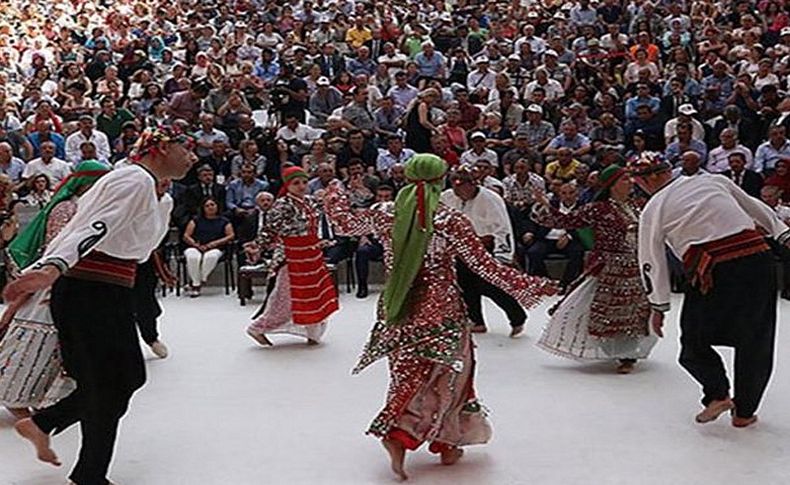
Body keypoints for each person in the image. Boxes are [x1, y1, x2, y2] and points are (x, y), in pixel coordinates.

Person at [323, 154, 556, 480]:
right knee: (451, 377)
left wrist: (333, 191)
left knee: (407, 377)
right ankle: (446, 442)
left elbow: (343, 223)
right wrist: (532, 285)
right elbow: (485, 268)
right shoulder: (449, 221)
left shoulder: (384, 215)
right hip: (444, 314)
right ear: (439, 182)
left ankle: (398, 437)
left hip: (400, 311)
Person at [2, 125, 195, 484]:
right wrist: (53, 267)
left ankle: (44, 425)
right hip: (88, 289)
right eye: (187, 148)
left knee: (120, 380)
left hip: (109, 289)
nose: (193, 156)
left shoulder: (150, 188)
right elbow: (91, 226)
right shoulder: (133, 180)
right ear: (161, 148)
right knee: (109, 384)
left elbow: (140, 243)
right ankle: (85, 469)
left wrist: (161, 201)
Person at [634, 152, 790, 427]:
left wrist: (658, 306)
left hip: (713, 270)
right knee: (756, 339)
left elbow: (651, 260)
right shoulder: (714, 180)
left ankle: (717, 393)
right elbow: (754, 206)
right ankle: (744, 413)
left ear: (649, 179)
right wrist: (781, 232)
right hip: (756, 258)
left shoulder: (653, 208)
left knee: (693, 340)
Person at [0, 161, 110, 419]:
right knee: (40, 339)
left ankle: (49, 398)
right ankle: (15, 397)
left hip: (79, 281)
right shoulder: (66, 208)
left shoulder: (88, 206)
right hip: (58, 280)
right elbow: (58, 247)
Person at [531, 165, 657, 373]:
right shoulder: (598, 209)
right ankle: (617, 352)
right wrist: (545, 204)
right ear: (612, 185)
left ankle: (629, 355)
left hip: (636, 267)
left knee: (636, 312)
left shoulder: (636, 206)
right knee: (610, 311)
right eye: (625, 180)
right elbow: (567, 221)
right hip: (610, 267)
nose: (631, 183)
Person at [246, 166, 339, 346]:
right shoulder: (282, 205)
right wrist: (257, 246)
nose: (302, 186)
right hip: (291, 256)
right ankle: (257, 328)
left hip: (311, 254)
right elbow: (269, 230)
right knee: (286, 297)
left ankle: (312, 333)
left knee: (314, 295)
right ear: (287, 185)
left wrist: (334, 193)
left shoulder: (311, 202)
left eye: (304, 182)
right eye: (296, 183)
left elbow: (333, 206)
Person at [441, 167, 528, 337]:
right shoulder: (447, 197)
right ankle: (476, 321)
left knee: (489, 285)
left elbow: (503, 228)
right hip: (458, 248)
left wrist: (503, 257)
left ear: (473, 184)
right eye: (456, 186)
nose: (460, 191)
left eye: (464, 186)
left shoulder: (491, 199)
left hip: (486, 247)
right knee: (465, 286)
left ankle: (517, 317)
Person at [182, 197, 235, 297]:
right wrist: (195, 245)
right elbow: (186, 236)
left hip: (215, 247)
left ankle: (197, 282)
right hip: (196, 246)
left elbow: (231, 235)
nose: (210, 207)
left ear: (217, 206)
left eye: (212, 205)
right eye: (207, 206)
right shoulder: (195, 220)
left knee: (210, 257)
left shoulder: (224, 221)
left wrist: (215, 243)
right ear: (203, 208)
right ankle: (196, 284)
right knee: (193, 257)